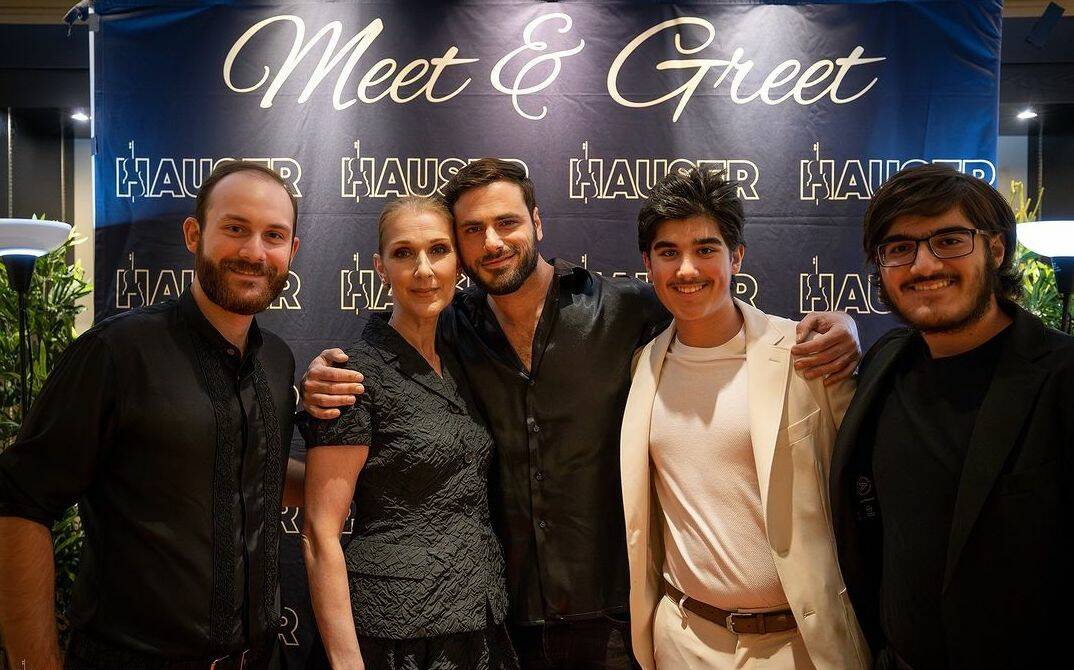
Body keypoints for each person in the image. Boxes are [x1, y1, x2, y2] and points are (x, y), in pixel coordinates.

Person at [301, 159, 862, 670]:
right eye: (472, 231)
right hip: (497, 624)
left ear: (538, 223)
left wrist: (844, 326)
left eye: (507, 222)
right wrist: (326, 372)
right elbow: (388, 348)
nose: (492, 242)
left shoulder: (628, 311)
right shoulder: (447, 327)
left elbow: (720, 326)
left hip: (618, 622)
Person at [0, 161, 305, 670]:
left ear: (291, 252)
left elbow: (262, 473)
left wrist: (374, 479)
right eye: (235, 228)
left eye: (274, 235)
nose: (254, 252)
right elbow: (19, 504)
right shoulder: (115, 353)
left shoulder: (277, 360)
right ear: (194, 234)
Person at [620, 168, 869, 670]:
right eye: (668, 252)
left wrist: (849, 324)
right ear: (648, 264)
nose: (686, 269)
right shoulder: (642, 364)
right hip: (683, 639)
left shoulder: (806, 355)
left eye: (706, 249)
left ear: (736, 257)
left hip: (796, 644)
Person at [830, 164, 1074, 669]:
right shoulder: (883, 363)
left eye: (949, 240)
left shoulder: (1062, 377)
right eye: (900, 248)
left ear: (997, 249)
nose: (923, 265)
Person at [301, 196, 517, 670]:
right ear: (380, 267)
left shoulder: (467, 360)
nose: (423, 269)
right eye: (404, 253)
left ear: (458, 262)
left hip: (477, 619)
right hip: (392, 635)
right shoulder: (353, 376)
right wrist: (346, 662)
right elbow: (320, 532)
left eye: (438, 250)